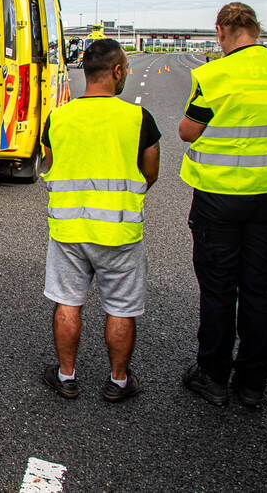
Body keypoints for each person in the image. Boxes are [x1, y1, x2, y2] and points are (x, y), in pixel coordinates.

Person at [178, 2, 267, 408]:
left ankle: (213, 377)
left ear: (220, 31)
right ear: (258, 30)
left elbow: (188, 131)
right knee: (259, 288)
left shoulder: (215, 75)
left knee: (219, 289)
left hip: (219, 198)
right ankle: (253, 383)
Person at [39, 38, 160, 402]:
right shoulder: (138, 118)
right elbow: (150, 172)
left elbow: (51, 165)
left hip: (68, 228)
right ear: (117, 71)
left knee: (67, 302)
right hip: (119, 230)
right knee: (121, 308)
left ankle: (66, 376)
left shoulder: (58, 117)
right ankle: (118, 381)